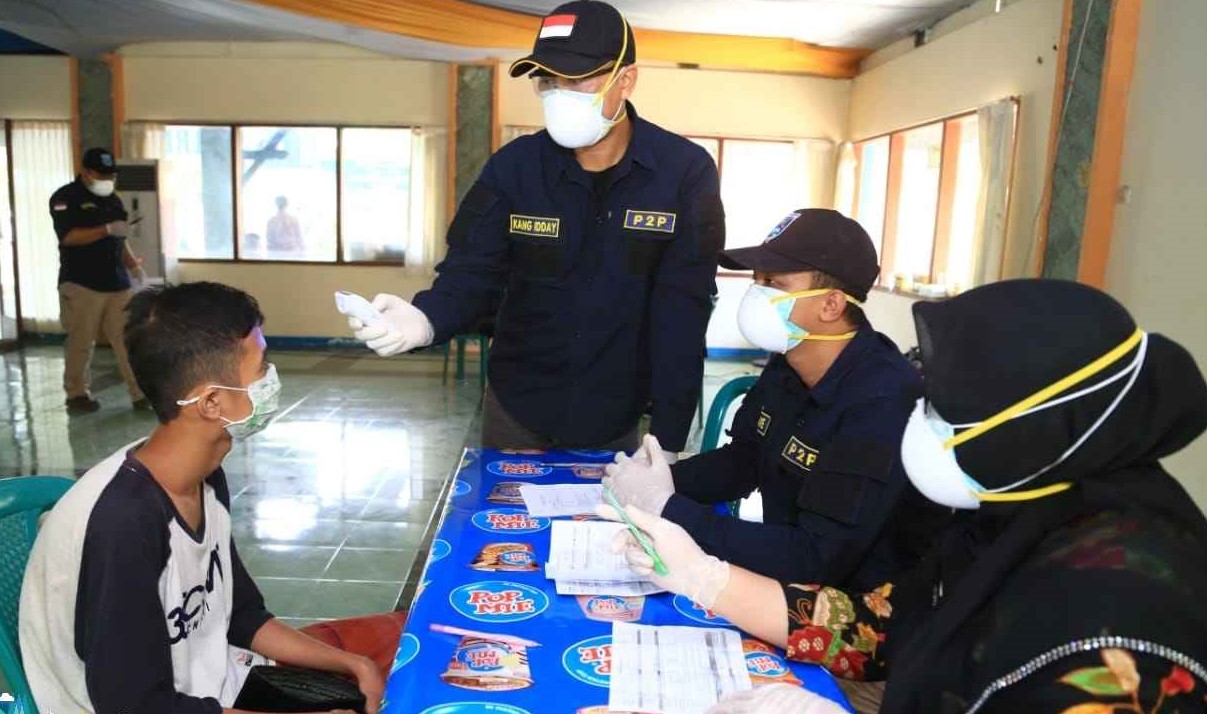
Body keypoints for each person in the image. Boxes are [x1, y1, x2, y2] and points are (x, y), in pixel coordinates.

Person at [601, 279, 1207, 714]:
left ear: (1032, 429)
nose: (917, 422)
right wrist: (704, 577)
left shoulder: (1120, 614)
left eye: (943, 411)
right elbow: (884, 627)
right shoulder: (1018, 508)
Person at [348, 0, 724, 455]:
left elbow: (683, 314)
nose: (559, 93)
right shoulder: (514, 169)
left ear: (626, 79)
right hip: (519, 408)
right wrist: (427, 318)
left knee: (609, 525)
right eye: (547, 80)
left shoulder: (683, 173)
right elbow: (471, 272)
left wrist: (667, 439)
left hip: (621, 414)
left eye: (578, 78)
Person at [20, 282, 389, 714]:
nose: (271, 378)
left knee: (391, 667)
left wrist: (353, 663)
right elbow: (135, 705)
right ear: (212, 402)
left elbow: (242, 616)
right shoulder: (124, 522)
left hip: (213, 685)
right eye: (261, 365)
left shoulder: (203, 475)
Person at [605, 209, 948, 591]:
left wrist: (668, 508)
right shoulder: (788, 364)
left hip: (855, 606)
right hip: (786, 573)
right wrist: (656, 481)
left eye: (773, 283)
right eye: (756, 279)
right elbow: (745, 461)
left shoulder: (883, 401)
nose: (756, 292)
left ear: (831, 305)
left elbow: (816, 558)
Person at [50, 147, 148, 413]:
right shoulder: (65, 198)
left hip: (117, 282)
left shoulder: (113, 200)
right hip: (82, 283)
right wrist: (104, 229)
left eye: (110, 174)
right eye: (101, 174)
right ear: (86, 172)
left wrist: (133, 266)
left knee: (128, 339)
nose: (106, 179)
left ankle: (140, 394)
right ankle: (77, 394)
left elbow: (120, 237)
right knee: (81, 342)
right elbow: (68, 237)